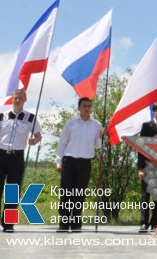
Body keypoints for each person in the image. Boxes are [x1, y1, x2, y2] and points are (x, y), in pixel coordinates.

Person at [0, 89, 42, 232]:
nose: (17, 100)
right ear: (12, 99)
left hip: (17, 157)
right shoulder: (1, 116)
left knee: (13, 191)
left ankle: (9, 223)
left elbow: (38, 136)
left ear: (25, 99)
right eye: (15, 98)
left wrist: (33, 141)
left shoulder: (31, 118)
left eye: (20, 98)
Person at [55, 97, 105, 232]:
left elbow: (98, 146)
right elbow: (62, 143)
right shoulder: (70, 123)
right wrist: (58, 161)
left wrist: (101, 136)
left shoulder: (96, 125)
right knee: (66, 193)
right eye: (84, 106)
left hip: (85, 162)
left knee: (79, 194)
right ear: (79, 107)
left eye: (89, 106)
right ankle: (64, 222)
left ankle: (76, 222)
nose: (87, 109)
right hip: (69, 161)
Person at [137, 101, 157, 233]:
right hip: (148, 166)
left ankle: (155, 222)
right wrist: (140, 168)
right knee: (145, 196)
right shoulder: (146, 126)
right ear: (153, 111)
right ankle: (144, 223)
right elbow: (140, 147)